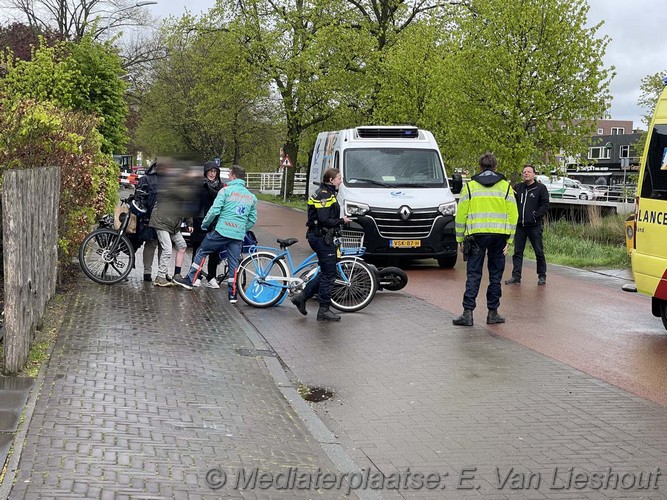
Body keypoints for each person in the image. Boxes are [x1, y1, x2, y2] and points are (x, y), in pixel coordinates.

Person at [173, 165, 257, 304]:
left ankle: (190, 279)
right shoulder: (251, 197)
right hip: (237, 235)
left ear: (234, 175)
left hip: (222, 230)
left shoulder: (225, 191)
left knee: (202, 251)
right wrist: (241, 228)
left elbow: (214, 211)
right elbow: (252, 219)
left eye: (230, 174)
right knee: (233, 264)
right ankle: (233, 294)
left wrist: (205, 224)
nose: (229, 176)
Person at [452, 152, 518, 326]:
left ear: (480, 167)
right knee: (495, 276)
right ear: (495, 166)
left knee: (474, 274)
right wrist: (509, 240)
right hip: (499, 237)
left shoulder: (470, 187)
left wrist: (459, 237)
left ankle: (468, 314)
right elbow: (514, 215)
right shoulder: (506, 187)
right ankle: (492, 313)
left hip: (476, 236)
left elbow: (461, 215)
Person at [290, 168, 351, 321]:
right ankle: (323, 310)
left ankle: (301, 297)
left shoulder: (327, 193)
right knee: (329, 274)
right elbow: (324, 220)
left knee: (327, 271)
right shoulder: (324, 195)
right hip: (321, 237)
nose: (340, 180)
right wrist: (342, 221)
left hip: (323, 236)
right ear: (331, 180)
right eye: (338, 178)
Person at [148, 159, 195, 287]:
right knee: (167, 249)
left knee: (182, 246)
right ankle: (160, 276)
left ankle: (177, 275)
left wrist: (190, 223)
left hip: (173, 225)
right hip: (162, 221)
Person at [505, 165, 550, 286]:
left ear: (534, 174)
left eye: (529, 172)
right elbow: (510, 202)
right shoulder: (518, 187)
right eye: (524, 172)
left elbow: (545, 205)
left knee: (539, 251)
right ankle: (516, 276)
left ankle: (542, 275)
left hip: (534, 226)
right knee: (517, 252)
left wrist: (535, 216)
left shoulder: (541, 188)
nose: (526, 174)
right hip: (520, 226)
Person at [190, 160, 225, 288]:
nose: (212, 174)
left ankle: (211, 276)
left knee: (214, 251)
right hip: (200, 220)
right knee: (198, 249)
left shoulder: (220, 187)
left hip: (215, 221)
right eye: (210, 171)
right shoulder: (199, 185)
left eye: (215, 171)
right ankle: (196, 275)